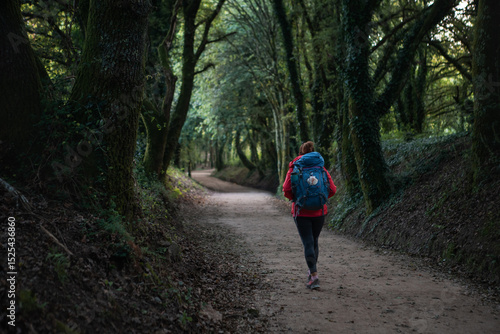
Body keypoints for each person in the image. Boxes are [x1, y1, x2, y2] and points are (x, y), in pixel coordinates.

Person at [282, 141, 336, 289]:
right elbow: (332, 189)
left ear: (301, 153)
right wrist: (320, 200)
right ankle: (312, 272)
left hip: (301, 212)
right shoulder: (321, 168)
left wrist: (297, 198)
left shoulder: (295, 167)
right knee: (314, 241)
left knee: (307, 242)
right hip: (319, 211)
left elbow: (286, 189)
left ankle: (314, 277)